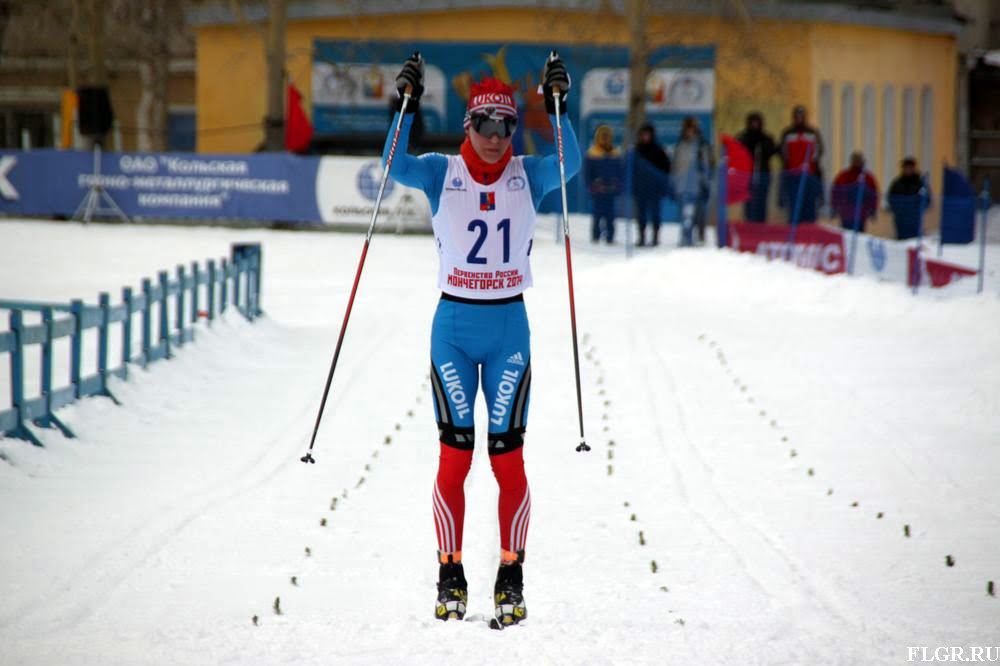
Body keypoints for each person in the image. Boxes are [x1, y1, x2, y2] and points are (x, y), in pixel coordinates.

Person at [386, 53, 580, 627]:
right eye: (484, 125)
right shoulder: (440, 172)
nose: (495, 138)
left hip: (508, 331)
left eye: (505, 125)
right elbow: (394, 165)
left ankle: (510, 575)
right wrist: (406, 104)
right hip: (453, 328)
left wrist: (558, 106)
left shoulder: (529, 174)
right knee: (455, 456)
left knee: (507, 459)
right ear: (468, 125)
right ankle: (450, 572)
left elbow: (569, 162)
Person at [779, 105, 824, 224]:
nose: (799, 118)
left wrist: (810, 163)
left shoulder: (812, 133)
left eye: (801, 116)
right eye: (797, 116)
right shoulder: (788, 134)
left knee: (809, 205)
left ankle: (809, 229)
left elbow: (818, 150)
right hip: (793, 174)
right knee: (794, 206)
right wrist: (790, 165)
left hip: (809, 173)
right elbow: (784, 152)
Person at [671, 116, 713, 245]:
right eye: (687, 129)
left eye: (692, 129)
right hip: (681, 185)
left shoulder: (701, 145)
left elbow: (706, 166)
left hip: (696, 186)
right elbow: (675, 166)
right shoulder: (680, 145)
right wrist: (673, 182)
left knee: (694, 213)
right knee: (684, 214)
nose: (689, 132)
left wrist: (705, 182)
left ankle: (693, 237)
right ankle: (685, 237)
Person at [631, 123, 671, 246]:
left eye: (647, 134)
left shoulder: (658, 150)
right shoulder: (637, 151)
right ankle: (642, 237)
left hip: (655, 190)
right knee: (641, 215)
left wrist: (660, 184)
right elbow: (632, 171)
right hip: (640, 189)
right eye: (643, 134)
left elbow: (666, 169)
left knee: (655, 214)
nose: (645, 137)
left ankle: (655, 237)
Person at [585, 125, 623, 244]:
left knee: (610, 215)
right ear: (598, 137)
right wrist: (592, 186)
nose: (605, 139)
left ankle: (610, 237)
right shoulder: (592, 153)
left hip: (611, 190)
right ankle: (595, 237)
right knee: (597, 215)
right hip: (598, 190)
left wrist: (617, 186)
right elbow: (587, 173)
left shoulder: (616, 153)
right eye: (603, 136)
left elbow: (620, 172)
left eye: (607, 136)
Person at [736, 112, 777, 222]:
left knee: (762, 201)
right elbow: (737, 152)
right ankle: (749, 222)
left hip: (763, 174)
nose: (755, 125)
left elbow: (772, 151)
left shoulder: (766, 138)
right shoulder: (743, 137)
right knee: (748, 201)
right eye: (752, 122)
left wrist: (763, 146)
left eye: (757, 122)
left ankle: (761, 223)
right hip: (747, 175)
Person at [831, 151, 879, 232]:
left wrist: (873, 210)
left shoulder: (868, 177)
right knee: (846, 233)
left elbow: (873, 195)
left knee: (859, 233)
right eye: (855, 160)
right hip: (846, 213)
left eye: (859, 160)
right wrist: (834, 207)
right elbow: (835, 192)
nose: (857, 162)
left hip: (861, 214)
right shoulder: (843, 176)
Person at [888, 157, 930, 240]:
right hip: (900, 220)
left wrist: (916, 208)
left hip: (914, 220)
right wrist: (898, 209)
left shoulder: (920, 184)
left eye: (909, 168)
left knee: (913, 241)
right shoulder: (897, 183)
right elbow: (891, 198)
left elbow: (927, 200)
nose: (907, 170)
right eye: (905, 168)